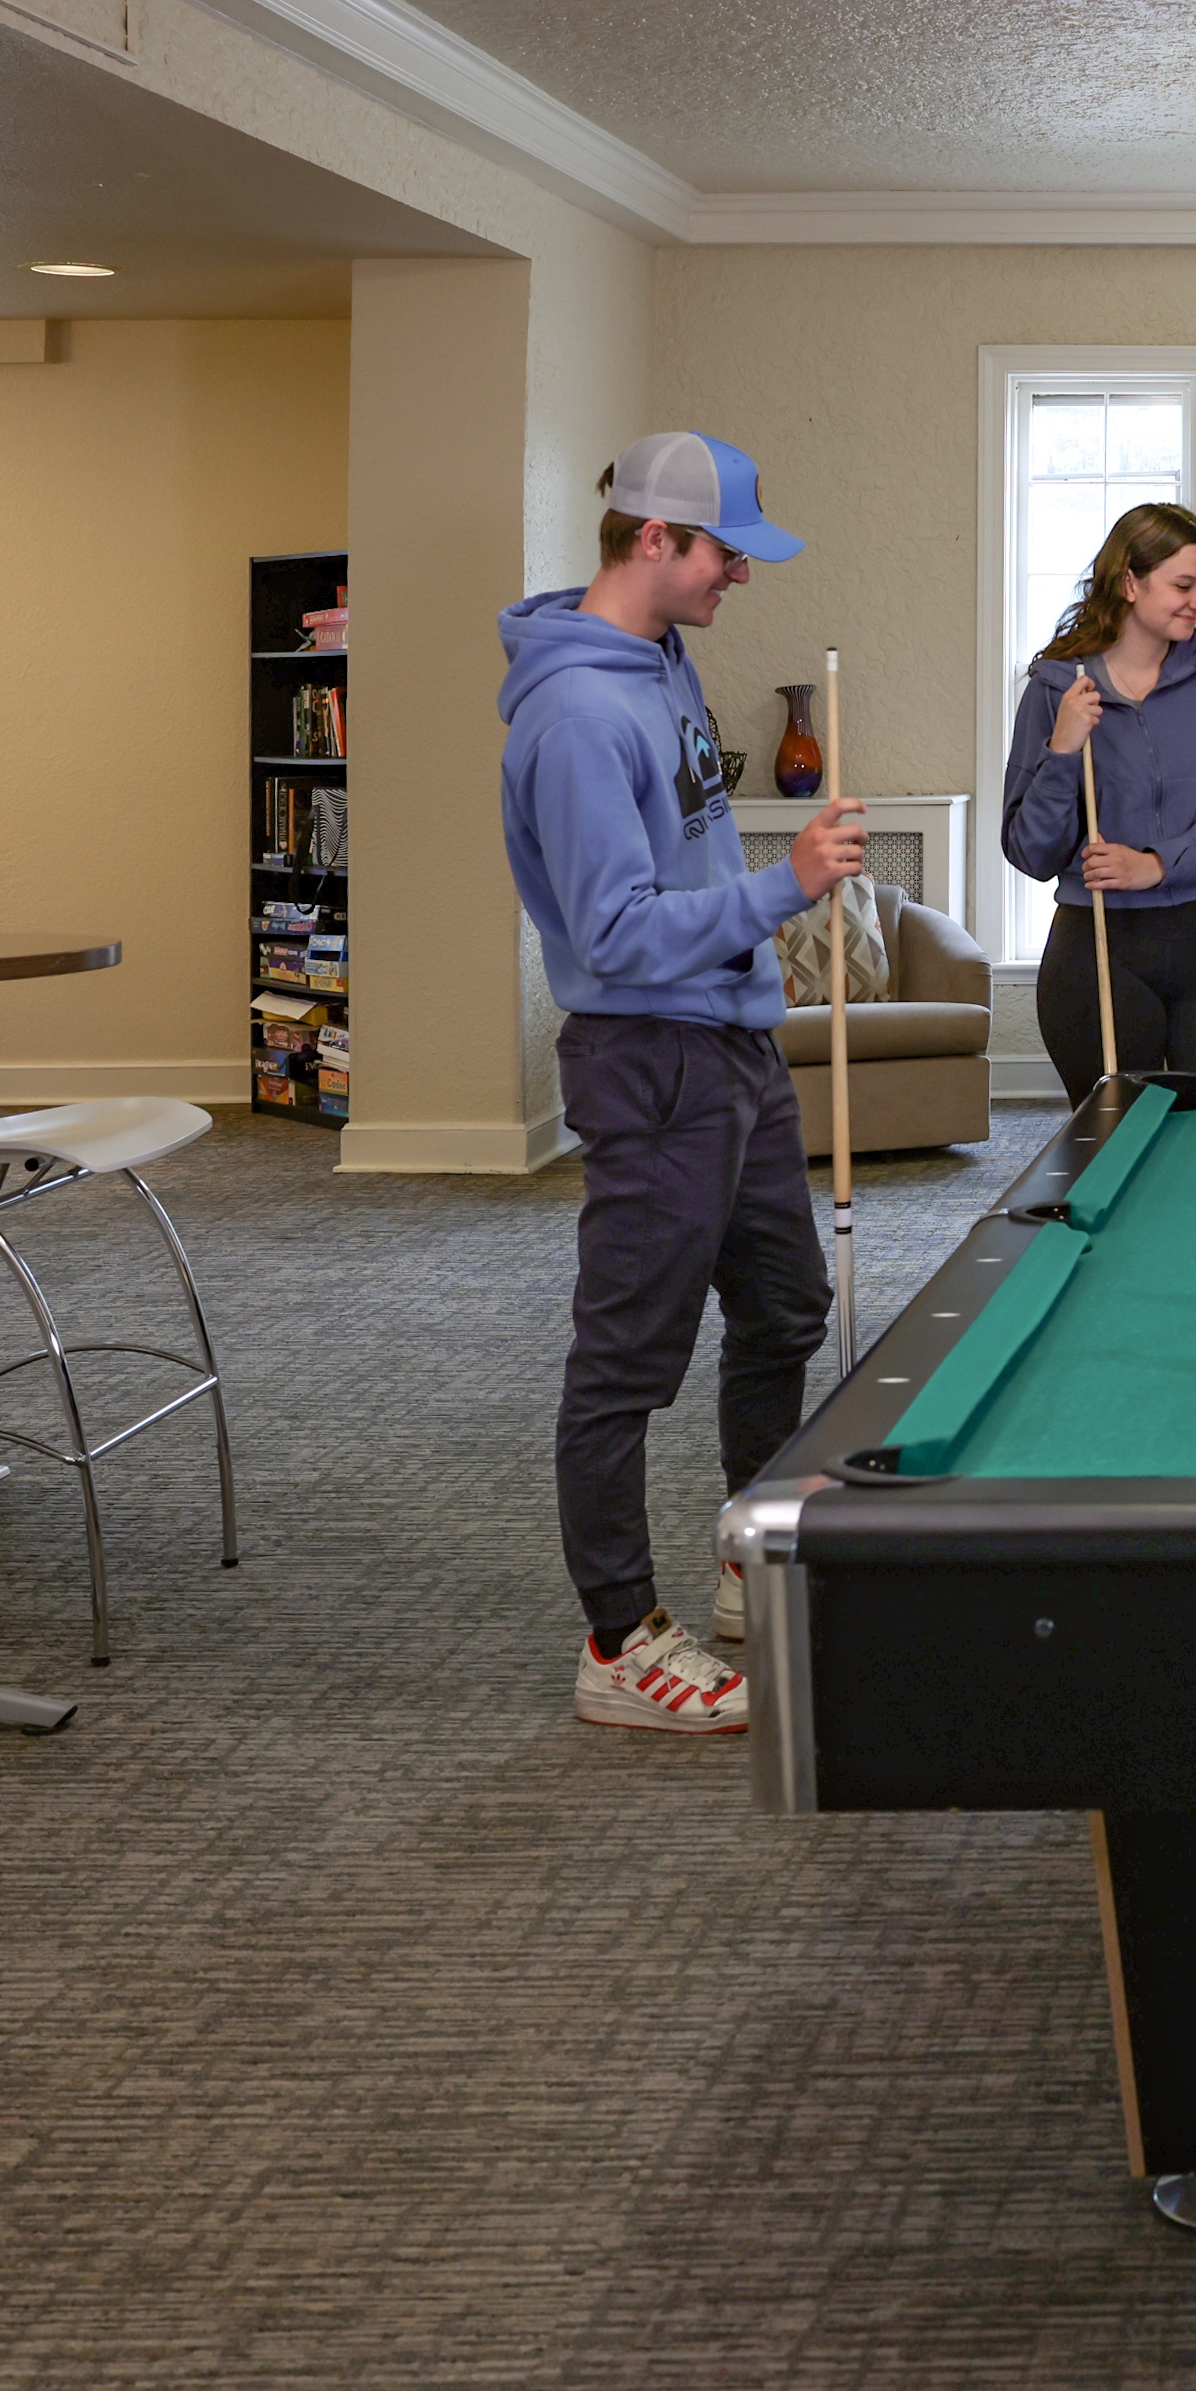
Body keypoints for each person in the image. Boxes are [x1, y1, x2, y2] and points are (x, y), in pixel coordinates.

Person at [498, 430, 866, 1735]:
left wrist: (767, 901)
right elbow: (611, 933)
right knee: (626, 1362)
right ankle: (616, 1639)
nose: (739, 576)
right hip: (647, 1057)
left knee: (785, 1303)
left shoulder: (660, 653)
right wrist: (788, 885)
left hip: (732, 1044)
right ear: (650, 540)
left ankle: (744, 1551)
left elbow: (693, 842)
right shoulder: (576, 716)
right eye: (723, 551)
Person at [1001, 504, 1196, 1100]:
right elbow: (1030, 851)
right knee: (1111, 1132)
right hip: (1099, 943)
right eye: (1183, 585)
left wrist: (1156, 864)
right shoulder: (1058, 688)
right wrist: (1061, 750)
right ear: (1130, 581)